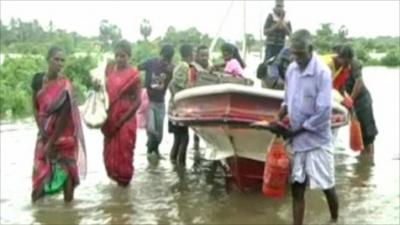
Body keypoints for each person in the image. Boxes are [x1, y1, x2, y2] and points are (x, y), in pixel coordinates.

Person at [276, 29, 339, 225]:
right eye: (293, 53)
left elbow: (323, 113)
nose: (297, 58)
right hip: (298, 140)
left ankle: (335, 219)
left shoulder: (322, 72)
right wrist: (277, 118)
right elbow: (287, 100)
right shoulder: (291, 70)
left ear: (310, 49)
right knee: (297, 188)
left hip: (318, 139)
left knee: (327, 186)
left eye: (300, 53)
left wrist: (295, 131)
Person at [31, 46, 86, 203]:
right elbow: (35, 106)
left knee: (67, 172)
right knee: (40, 174)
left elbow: (64, 116)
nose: (59, 63)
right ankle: (38, 213)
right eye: (56, 59)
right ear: (48, 59)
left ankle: (68, 212)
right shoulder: (37, 80)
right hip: (43, 133)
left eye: (62, 60)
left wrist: (52, 142)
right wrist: (42, 130)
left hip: (64, 135)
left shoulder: (65, 86)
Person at [101, 40, 142, 186]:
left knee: (125, 151)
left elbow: (138, 101)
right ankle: (118, 194)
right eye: (117, 55)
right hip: (110, 117)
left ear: (129, 56)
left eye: (123, 56)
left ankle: (125, 189)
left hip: (126, 119)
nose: (119, 59)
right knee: (109, 153)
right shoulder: (110, 70)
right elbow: (103, 90)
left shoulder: (134, 75)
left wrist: (123, 119)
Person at [335, 45, 378, 154]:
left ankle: (368, 163)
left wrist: (350, 101)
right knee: (358, 133)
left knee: (368, 135)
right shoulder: (337, 65)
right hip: (352, 102)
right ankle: (363, 164)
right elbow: (340, 86)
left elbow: (359, 84)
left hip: (362, 102)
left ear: (347, 58)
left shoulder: (353, 63)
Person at [138, 44, 175, 157]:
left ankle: (155, 151)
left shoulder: (171, 68)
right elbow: (136, 68)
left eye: (167, 60)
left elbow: (176, 83)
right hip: (148, 101)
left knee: (159, 134)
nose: (164, 61)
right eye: (163, 58)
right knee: (151, 129)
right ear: (161, 54)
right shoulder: (151, 63)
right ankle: (150, 151)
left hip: (160, 103)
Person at [168, 44, 194, 165]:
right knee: (184, 138)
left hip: (174, 107)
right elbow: (178, 85)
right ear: (190, 54)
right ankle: (181, 167)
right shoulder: (185, 67)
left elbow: (172, 84)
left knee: (177, 139)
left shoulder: (178, 66)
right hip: (179, 108)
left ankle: (174, 165)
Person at [189, 45, 210, 150]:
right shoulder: (193, 68)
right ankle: (196, 146)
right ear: (197, 56)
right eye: (202, 55)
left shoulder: (209, 67)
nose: (205, 58)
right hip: (197, 101)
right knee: (196, 127)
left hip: (207, 102)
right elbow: (191, 84)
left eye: (206, 55)